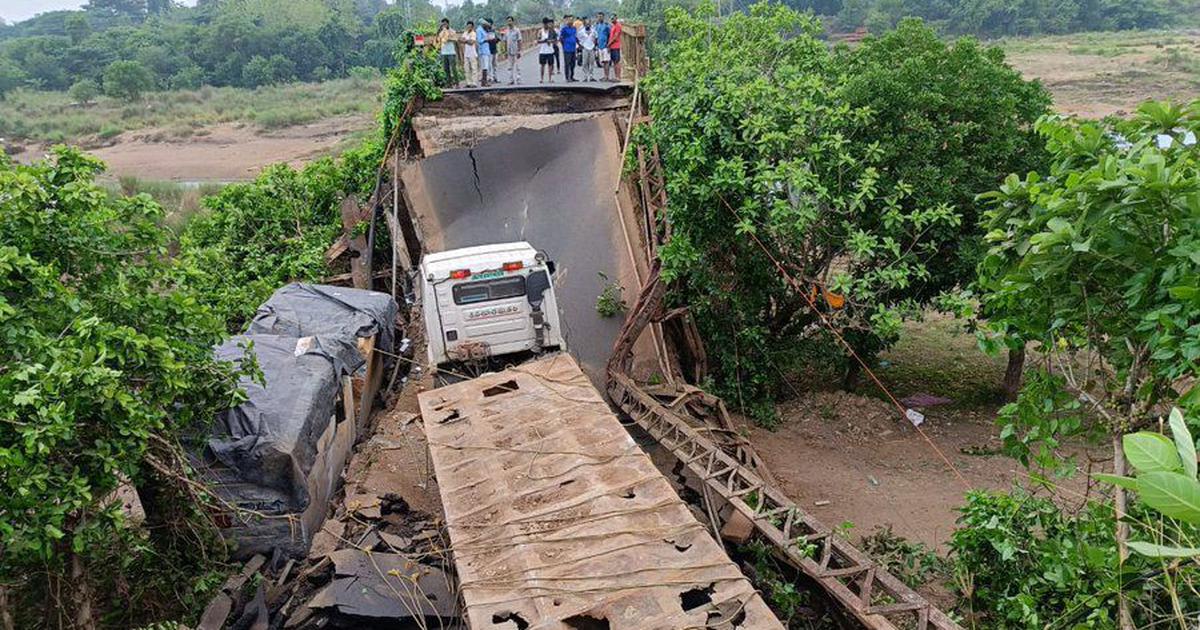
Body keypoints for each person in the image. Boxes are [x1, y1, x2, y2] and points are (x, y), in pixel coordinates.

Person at [436, 19, 458, 85]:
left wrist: (449, 39)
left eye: (445, 24)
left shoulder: (452, 31)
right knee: (446, 69)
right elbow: (438, 39)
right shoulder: (441, 32)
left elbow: (455, 39)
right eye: (443, 24)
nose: (444, 25)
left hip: (451, 52)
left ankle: (457, 83)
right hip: (444, 52)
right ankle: (449, 83)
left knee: (453, 68)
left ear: (448, 24)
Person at [503, 16, 522, 85]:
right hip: (509, 50)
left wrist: (519, 51)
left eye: (510, 21)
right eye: (508, 21)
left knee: (518, 66)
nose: (509, 22)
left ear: (513, 21)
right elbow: (505, 41)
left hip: (516, 50)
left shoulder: (517, 30)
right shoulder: (506, 31)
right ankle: (511, 79)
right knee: (509, 66)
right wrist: (505, 51)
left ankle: (518, 79)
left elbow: (519, 41)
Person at [537, 17, 556, 84]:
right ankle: (541, 78)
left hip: (550, 50)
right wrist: (543, 41)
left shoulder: (552, 31)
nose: (546, 25)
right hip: (542, 51)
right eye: (544, 24)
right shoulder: (540, 31)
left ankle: (550, 79)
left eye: (547, 24)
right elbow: (538, 41)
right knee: (542, 65)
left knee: (550, 65)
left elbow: (555, 41)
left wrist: (550, 41)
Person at [559, 14, 577, 82]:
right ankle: (567, 77)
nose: (571, 21)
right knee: (567, 63)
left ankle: (572, 76)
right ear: (567, 21)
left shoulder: (574, 28)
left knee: (573, 63)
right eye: (569, 20)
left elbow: (575, 37)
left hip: (573, 48)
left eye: (572, 20)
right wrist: (564, 45)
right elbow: (561, 38)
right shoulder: (564, 29)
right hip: (567, 48)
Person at [577, 17, 597, 81]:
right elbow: (577, 38)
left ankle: (591, 76)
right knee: (585, 63)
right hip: (585, 48)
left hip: (591, 48)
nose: (588, 24)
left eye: (589, 23)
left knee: (592, 62)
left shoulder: (593, 30)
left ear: (590, 24)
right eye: (586, 23)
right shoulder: (581, 31)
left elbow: (596, 37)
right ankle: (585, 76)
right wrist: (580, 45)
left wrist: (595, 45)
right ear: (584, 24)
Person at [594, 12, 611, 81]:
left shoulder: (606, 26)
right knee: (603, 62)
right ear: (597, 18)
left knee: (606, 61)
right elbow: (596, 36)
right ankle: (604, 76)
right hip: (599, 46)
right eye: (598, 17)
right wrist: (595, 46)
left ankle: (607, 76)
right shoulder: (597, 26)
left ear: (603, 17)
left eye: (601, 16)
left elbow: (609, 35)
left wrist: (609, 45)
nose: (600, 18)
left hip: (605, 46)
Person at [461, 21, 478, 87]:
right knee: (466, 69)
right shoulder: (465, 33)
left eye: (470, 26)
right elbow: (460, 40)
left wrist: (465, 41)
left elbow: (472, 42)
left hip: (472, 53)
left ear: (472, 27)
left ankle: (474, 83)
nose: (469, 27)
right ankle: (468, 83)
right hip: (466, 53)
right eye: (468, 26)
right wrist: (467, 41)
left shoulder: (473, 33)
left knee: (474, 68)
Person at [478, 19, 494, 86]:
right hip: (483, 50)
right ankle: (484, 81)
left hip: (486, 50)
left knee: (486, 66)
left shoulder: (484, 30)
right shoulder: (479, 30)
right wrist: (486, 39)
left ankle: (485, 81)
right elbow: (479, 40)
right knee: (485, 66)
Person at [608, 15, 622, 81]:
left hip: (616, 46)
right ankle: (616, 76)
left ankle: (618, 77)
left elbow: (615, 37)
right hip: (612, 47)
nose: (612, 19)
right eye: (611, 18)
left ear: (616, 18)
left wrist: (609, 44)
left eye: (613, 18)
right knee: (614, 62)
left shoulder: (618, 26)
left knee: (617, 61)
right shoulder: (613, 26)